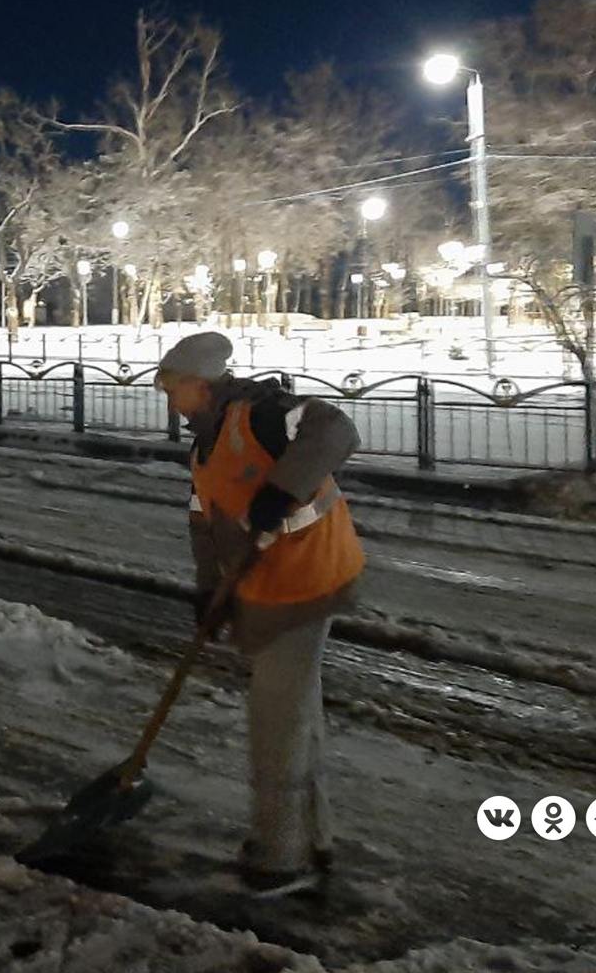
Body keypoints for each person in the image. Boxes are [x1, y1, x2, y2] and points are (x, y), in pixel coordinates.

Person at [154, 330, 364, 890]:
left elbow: (337, 430)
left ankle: (279, 857)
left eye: (171, 390)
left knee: (278, 721)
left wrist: (281, 489)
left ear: (200, 386)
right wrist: (206, 591)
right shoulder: (204, 444)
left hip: (308, 578)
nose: (167, 401)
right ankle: (312, 838)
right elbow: (205, 522)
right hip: (270, 588)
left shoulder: (264, 414)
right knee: (295, 713)